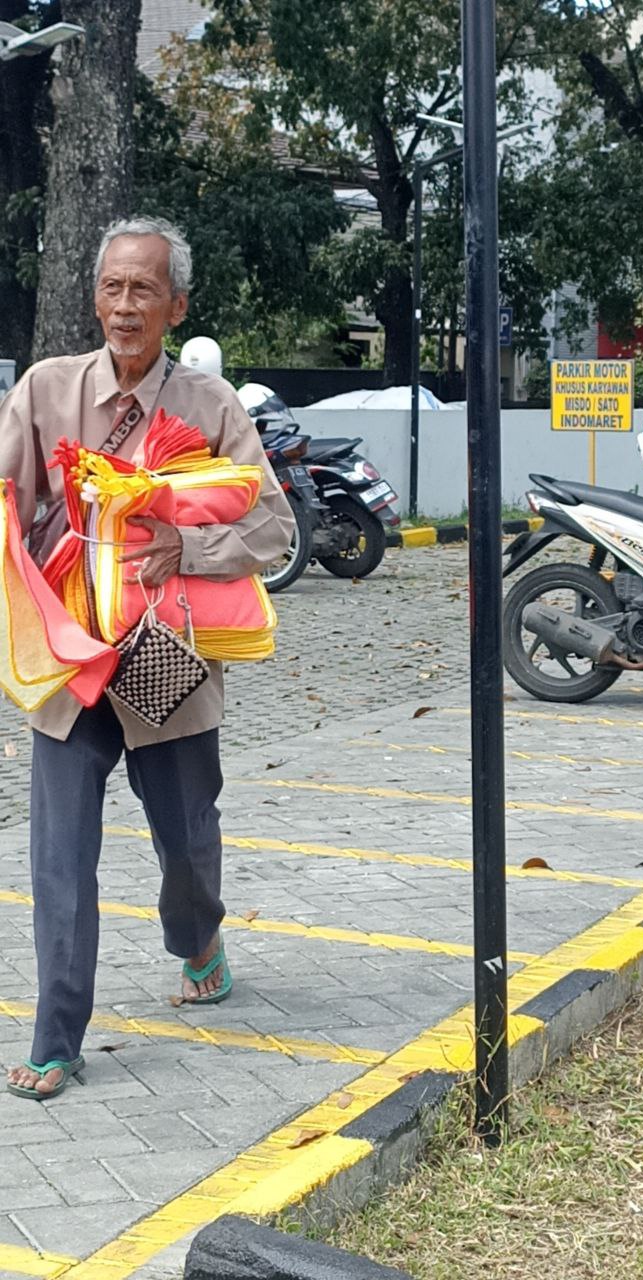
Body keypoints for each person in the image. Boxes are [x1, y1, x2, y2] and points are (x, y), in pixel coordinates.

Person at [0, 216, 294, 1099]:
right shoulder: (47, 390)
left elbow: (273, 527)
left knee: (186, 841)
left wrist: (189, 548)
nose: (126, 306)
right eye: (113, 288)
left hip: (166, 657)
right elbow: (6, 494)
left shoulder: (210, 405)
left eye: (145, 290)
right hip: (74, 659)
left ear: (178, 306)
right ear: (96, 298)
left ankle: (199, 941)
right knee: (60, 854)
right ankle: (56, 1038)